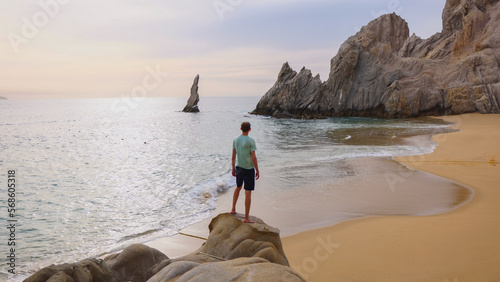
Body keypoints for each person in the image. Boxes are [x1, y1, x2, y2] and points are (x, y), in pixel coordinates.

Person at [231, 121, 260, 223]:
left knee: (238, 188)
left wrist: (233, 168)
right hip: (249, 170)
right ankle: (246, 218)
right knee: (248, 192)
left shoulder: (235, 140)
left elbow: (233, 156)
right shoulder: (251, 141)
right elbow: (253, 157)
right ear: (250, 129)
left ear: (241, 128)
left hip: (239, 168)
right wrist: (257, 170)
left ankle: (233, 209)